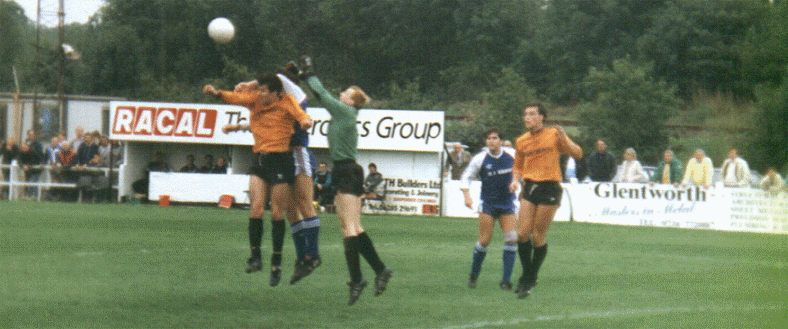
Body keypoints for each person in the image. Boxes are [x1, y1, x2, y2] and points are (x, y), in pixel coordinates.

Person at [298, 55, 393, 306]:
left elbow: (322, 94)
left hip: (348, 171)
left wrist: (308, 74)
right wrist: (301, 78)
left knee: (349, 229)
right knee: (351, 228)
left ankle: (358, 279)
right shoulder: (346, 113)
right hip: (343, 170)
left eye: (346, 93)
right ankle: (380, 271)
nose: (341, 94)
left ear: (352, 101)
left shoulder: (346, 111)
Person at [206, 73, 315, 287]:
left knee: (276, 212)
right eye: (260, 89)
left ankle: (276, 263)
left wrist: (305, 122)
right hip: (260, 160)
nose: (261, 93)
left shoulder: (287, 102)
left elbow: (301, 115)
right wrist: (216, 93)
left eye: (265, 90)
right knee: (255, 209)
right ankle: (255, 257)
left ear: (276, 93)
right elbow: (234, 98)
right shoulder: (254, 100)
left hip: (281, 160)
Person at [509, 102, 582, 299]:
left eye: (532, 114)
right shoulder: (522, 140)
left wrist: (565, 138)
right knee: (522, 234)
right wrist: (515, 181)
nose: (528, 118)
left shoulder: (553, 134)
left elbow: (577, 153)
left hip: (550, 186)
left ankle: (529, 278)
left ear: (542, 117)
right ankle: (528, 276)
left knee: (537, 235)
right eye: (526, 114)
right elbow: (518, 167)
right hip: (530, 186)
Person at [461, 128, 518, 291]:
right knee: (485, 241)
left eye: (495, 138)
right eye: (489, 139)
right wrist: (467, 195)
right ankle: (473, 275)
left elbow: (523, 171)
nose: (491, 141)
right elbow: (466, 177)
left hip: (507, 203)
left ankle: (505, 281)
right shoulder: (480, 159)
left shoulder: (512, 155)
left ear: (501, 141)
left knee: (511, 239)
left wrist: (520, 186)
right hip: (488, 204)